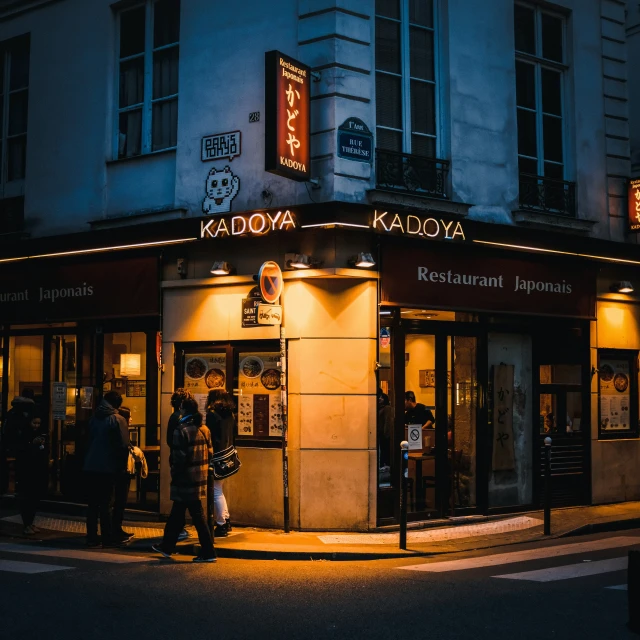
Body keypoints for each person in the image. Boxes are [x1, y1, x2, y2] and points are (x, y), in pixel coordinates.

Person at [152, 397, 216, 563]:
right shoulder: (204, 429)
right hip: (200, 477)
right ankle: (167, 546)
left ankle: (208, 552)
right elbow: (210, 452)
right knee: (178, 513)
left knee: (196, 515)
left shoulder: (181, 430)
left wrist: (174, 474)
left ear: (183, 410)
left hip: (185, 478)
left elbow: (178, 457)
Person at [83, 390, 130, 548]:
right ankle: (107, 538)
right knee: (106, 504)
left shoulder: (93, 418)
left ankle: (91, 537)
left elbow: (87, 440)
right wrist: (121, 467)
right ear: (117, 405)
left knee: (92, 504)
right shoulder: (118, 419)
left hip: (90, 466)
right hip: (108, 467)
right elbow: (123, 446)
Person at [206, 389, 235, 537]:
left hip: (216, 456)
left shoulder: (212, 415)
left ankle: (222, 524)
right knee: (219, 489)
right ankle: (226, 519)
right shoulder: (229, 414)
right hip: (227, 456)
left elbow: (211, 437)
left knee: (216, 490)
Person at [15, 413, 48, 535]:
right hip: (27, 472)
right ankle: (26, 524)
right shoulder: (25, 435)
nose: (36, 426)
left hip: (37, 471)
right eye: (34, 423)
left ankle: (30, 523)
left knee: (34, 499)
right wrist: (33, 445)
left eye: (38, 423)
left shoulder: (39, 435)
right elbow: (22, 452)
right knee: (27, 499)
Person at [168, 388, 193, 542]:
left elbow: (169, 441)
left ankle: (178, 528)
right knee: (186, 497)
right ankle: (179, 527)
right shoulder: (187, 417)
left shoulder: (175, 417)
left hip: (178, 459)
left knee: (181, 495)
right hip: (187, 460)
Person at [111, 405, 135, 543]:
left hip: (120, 470)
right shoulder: (120, 430)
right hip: (120, 470)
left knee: (120, 502)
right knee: (119, 501)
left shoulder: (121, 429)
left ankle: (117, 529)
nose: (131, 419)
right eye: (129, 416)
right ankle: (115, 530)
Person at [377, 389, 393, 468]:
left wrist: (386, 433)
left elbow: (387, 421)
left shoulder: (386, 408)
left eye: (382, 398)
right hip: (380, 434)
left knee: (384, 451)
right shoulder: (378, 408)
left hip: (384, 434)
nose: (380, 399)